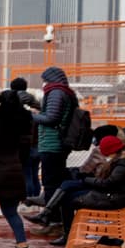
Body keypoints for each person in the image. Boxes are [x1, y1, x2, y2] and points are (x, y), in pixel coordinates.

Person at [51, 131, 125, 246]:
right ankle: (58, 224)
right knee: (69, 193)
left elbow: (109, 183)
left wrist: (86, 180)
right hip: (114, 194)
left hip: (115, 198)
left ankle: (65, 234)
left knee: (69, 200)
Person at [0, 89, 33, 248]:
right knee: (11, 212)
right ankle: (22, 246)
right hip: (15, 169)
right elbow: (27, 147)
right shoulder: (26, 119)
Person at [32, 67, 76, 205]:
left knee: (50, 181)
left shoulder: (56, 92)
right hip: (57, 142)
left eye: (44, 80)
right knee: (55, 179)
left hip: (52, 143)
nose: (43, 83)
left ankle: (53, 219)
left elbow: (52, 118)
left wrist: (31, 116)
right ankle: (54, 215)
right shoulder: (65, 92)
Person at [10, 77, 41, 203]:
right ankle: (37, 200)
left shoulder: (13, 103)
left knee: (26, 174)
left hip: (23, 144)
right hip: (38, 144)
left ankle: (28, 200)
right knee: (34, 174)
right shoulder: (36, 103)